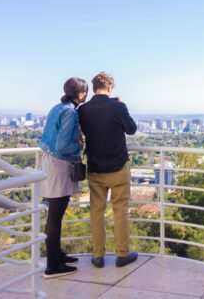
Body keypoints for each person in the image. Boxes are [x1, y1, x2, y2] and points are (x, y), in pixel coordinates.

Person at [78, 72, 138, 268]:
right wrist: (121, 105)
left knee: (96, 212)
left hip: (95, 168)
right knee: (120, 211)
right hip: (118, 166)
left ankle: (97, 255)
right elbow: (131, 129)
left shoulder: (83, 109)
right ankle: (122, 254)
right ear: (110, 87)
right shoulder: (117, 106)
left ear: (94, 88)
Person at [39, 77, 88, 278]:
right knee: (56, 214)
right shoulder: (70, 112)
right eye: (86, 91)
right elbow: (62, 145)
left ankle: (57, 256)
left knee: (55, 213)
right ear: (81, 93)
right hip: (59, 163)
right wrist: (81, 145)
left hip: (50, 161)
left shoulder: (58, 108)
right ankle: (52, 265)